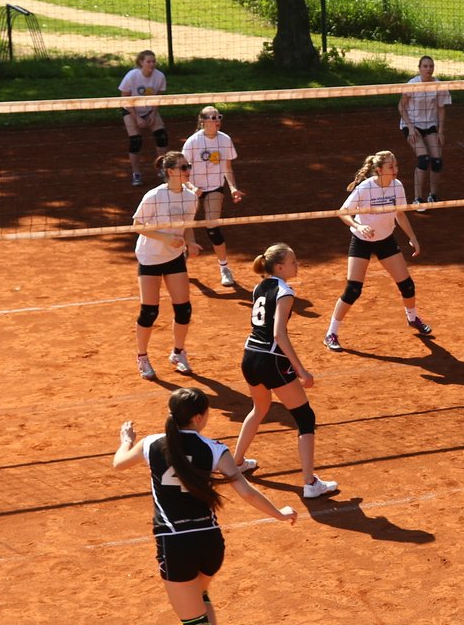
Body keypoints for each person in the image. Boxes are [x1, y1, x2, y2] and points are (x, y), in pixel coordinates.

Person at [111, 386, 298, 625]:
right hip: (211, 544)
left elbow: (118, 463)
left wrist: (126, 439)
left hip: (175, 545)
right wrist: (279, 514)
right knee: (201, 594)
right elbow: (246, 492)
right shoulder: (215, 449)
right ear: (198, 418)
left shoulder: (151, 444)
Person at [233, 243, 338, 500]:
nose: (297, 265)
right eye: (292, 262)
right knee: (305, 418)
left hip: (250, 356)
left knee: (259, 408)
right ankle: (310, 483)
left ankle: (236, 463)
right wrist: (301, 370)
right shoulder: (285, 292)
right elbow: (279, 334)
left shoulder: (259, 287)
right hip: (271, 360)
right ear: (279, 267)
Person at [323, 150, 431, 350]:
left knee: (407, 286)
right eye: (391, 166)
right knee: (353, 290)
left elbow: (400, 214)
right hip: (362, 241)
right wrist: (358, 226)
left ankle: (412, 318)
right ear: (379, 170)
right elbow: (343, 212)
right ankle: (331, 333)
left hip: (385, 240)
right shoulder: (365, 187)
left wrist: (413, 237)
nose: (395, 169)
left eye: (396, 165)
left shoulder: (397, 186)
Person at [131, 151, 200, 381]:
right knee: (149, 311)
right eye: (183, 167)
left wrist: (190, 242)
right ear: (170, 171)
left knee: (184, 309)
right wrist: (166, 238)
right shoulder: (155, 196)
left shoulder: (191, 198)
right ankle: (142, 357)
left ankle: (178, 353)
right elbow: (137, 225)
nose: (188, 171)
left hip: (174, 257)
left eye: (188, 166)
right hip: (150, 257)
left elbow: (187, 226)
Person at [181, 105, 244, 289]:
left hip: (215, 187)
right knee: (186, 223)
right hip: (191, 188)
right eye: (213, 117)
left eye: (219, 117)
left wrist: (233, 188)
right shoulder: (192, 142)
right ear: (203, 121)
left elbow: (227, 168)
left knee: (212, 227)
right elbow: (181, 171)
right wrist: (192, 188)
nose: (217, 120)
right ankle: (184, 254)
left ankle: (224, 268)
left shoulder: (225, 140)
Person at [398, 55, 452, 207]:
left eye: (431, 66)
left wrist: (441, 131)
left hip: (430, 125)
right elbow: (401, 106)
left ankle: (433, 195)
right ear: (419, 68)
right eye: (425, 66)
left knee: (437, 161)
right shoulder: (412, 84)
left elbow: (441, 109)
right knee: (423, 160)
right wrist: (410, 128)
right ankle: (417, 198)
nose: (428, 69)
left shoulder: (439, 85)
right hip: (411, 125)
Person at [119, 49, 169, 187]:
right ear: (141, 63)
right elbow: (124, 98)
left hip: (149, 109)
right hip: (130, 109)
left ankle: (162, 168)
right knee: (136, 141)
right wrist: (136, 118)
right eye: (148, 61)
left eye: (153, 61)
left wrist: (152, 113)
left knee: (162, 137)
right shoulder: (132, 76)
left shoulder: (159, 76)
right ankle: (136, 173)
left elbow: (158, 97)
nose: (152, 64)